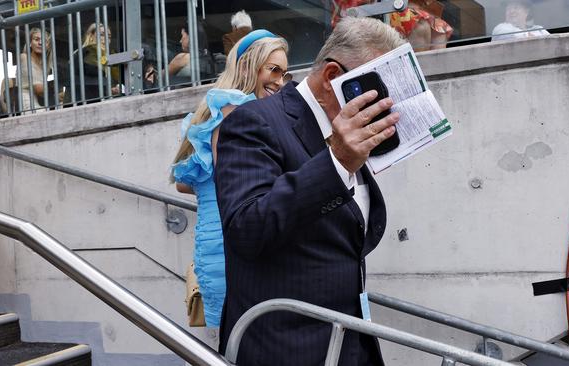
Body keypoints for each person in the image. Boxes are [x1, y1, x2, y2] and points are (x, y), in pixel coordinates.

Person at [216, 17, 404, 365]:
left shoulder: (341, 131)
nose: (386, 102)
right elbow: (246, 228)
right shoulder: (254, 121)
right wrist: (338, 163)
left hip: (347, 343)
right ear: (333, 76)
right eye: (377, 88)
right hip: (285, 349)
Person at [170, 29, 289, 329]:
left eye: (285, 74)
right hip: (231, 245)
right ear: (249, 65)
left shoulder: (212, 109)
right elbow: (238, 180)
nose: (280, 81)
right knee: (242, 337)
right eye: (273, 69)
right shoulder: (239, 107)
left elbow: (186, 181)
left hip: (216, 239)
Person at [19, 27, 52, 111]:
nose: (40, 43)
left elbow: (42, 92)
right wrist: (55, 92)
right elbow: (40, 89)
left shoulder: (45, 66)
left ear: (48, 46)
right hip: (26, 105)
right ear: (30, 43)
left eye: (45, 41)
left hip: (36, 103)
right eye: (36, 39)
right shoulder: (24, 57)